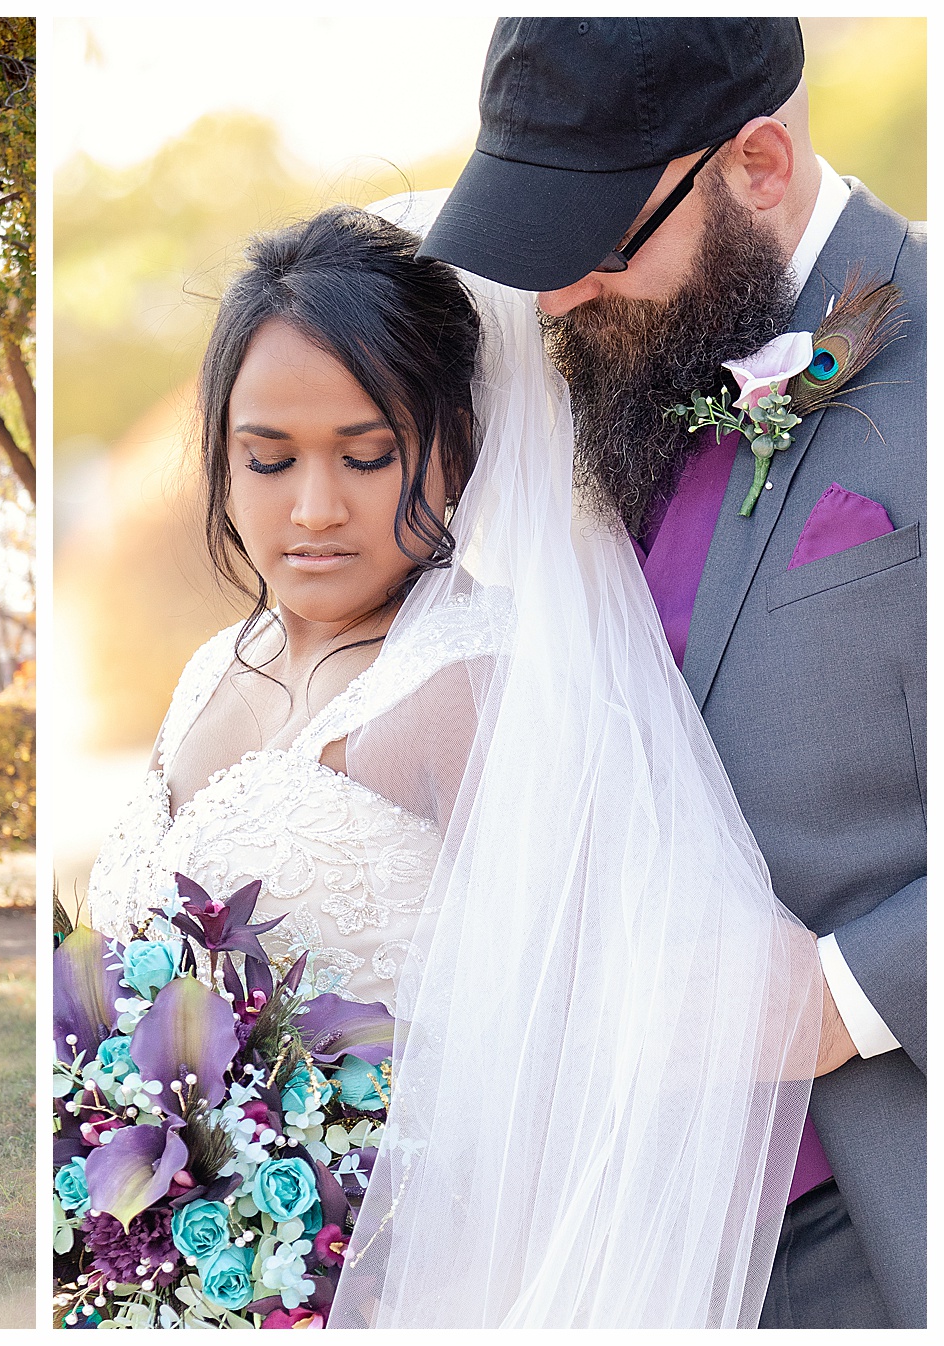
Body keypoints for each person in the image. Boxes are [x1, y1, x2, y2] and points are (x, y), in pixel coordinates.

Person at [84, 202, 822, 1327]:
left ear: (456, 444)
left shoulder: (480, 684)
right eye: (267, 459)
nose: (315, 507)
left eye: (369, 455)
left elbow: (580, 1088)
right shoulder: (209, 669)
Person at [417, 18, 924, 1329]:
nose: (552, 296)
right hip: (622, 1230)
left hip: (883, 1227)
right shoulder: (597, 366)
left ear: (758, 163)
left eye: (594, 245)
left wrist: (844, 996)